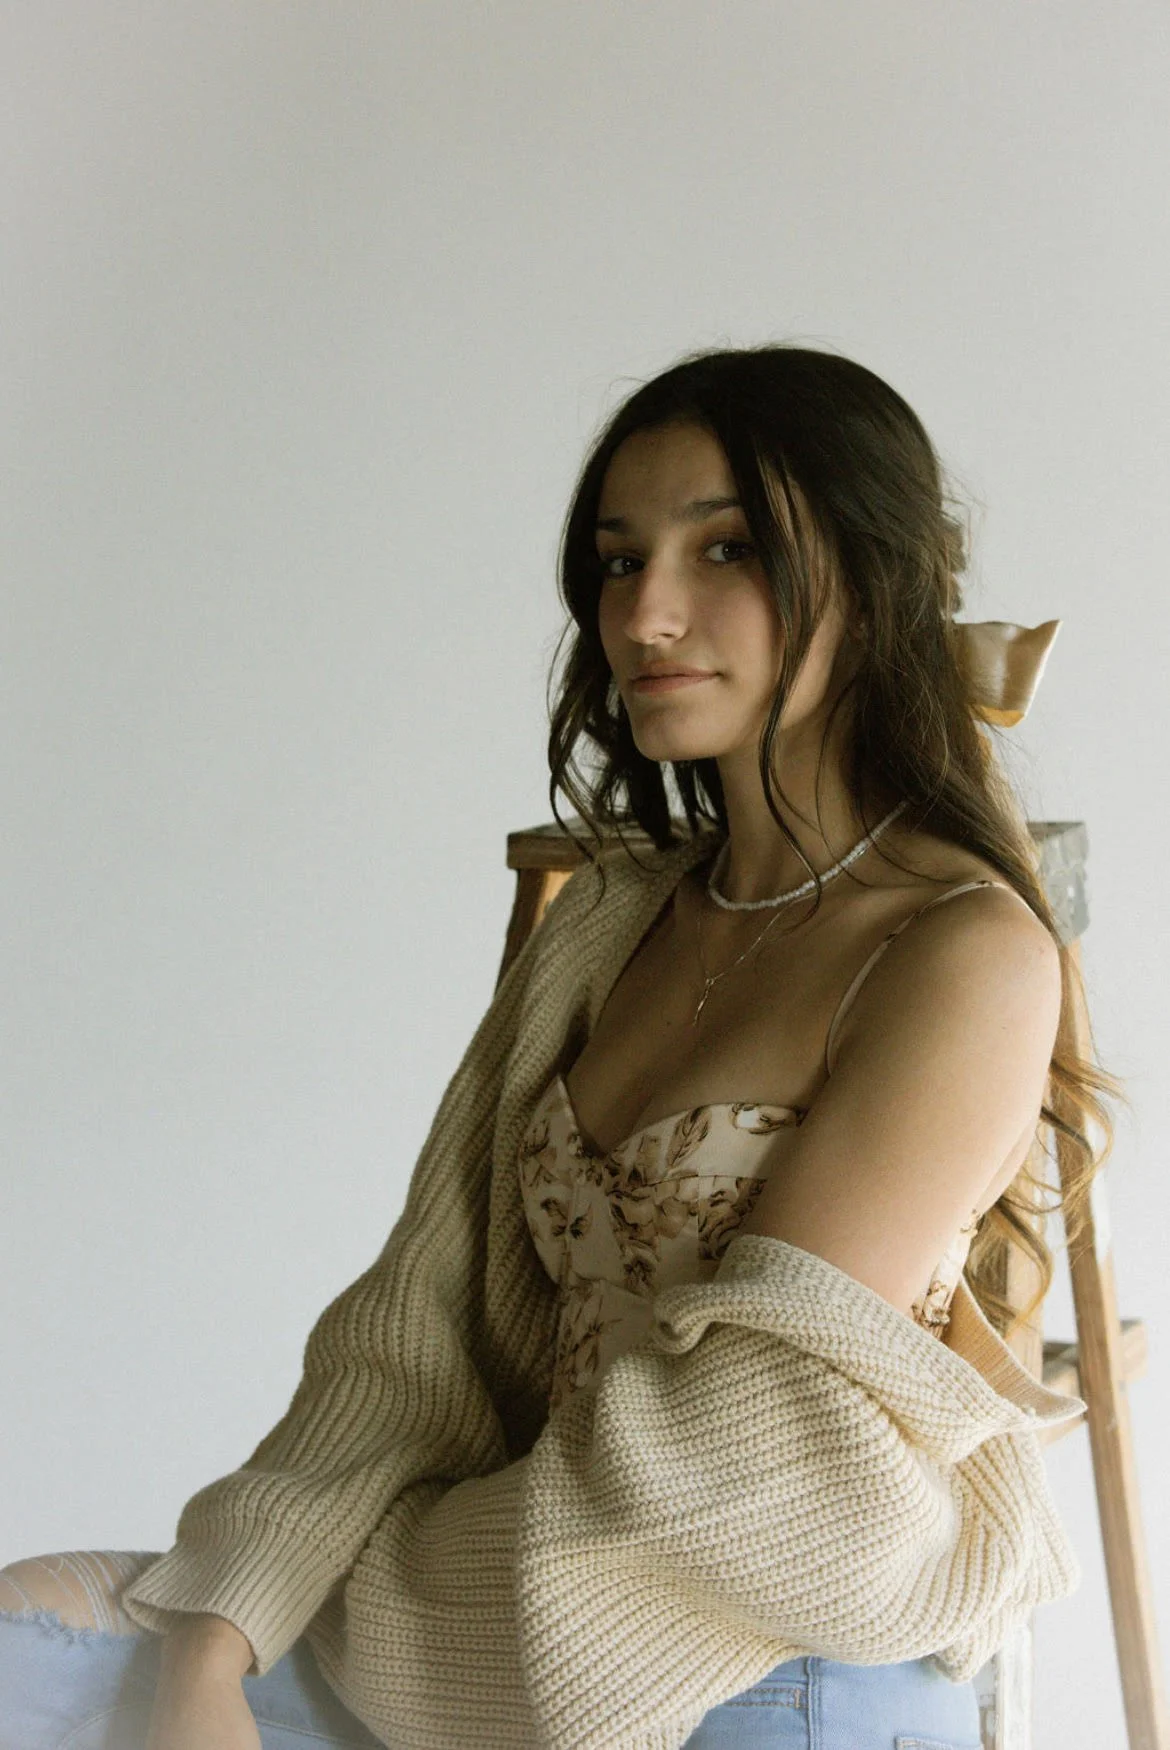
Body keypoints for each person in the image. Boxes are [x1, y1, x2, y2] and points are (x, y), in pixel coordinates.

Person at [0, 343, 1124, 1749]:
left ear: (870, 577)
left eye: (724, 549)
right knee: (24, 1653)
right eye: (615, 560)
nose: (646, 611)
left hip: (772, 1666)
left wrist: (361, 1591)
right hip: (510, 1622)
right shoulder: (604, 923)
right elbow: (410, 1336)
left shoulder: (960, 951)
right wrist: (215, 1638)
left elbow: (744, 1445)